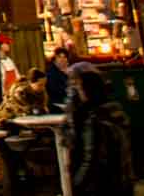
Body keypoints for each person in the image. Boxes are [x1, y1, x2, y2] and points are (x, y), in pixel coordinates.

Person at [65, 63, 134, 196]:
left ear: (88, 90)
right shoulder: (115, 111)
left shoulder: (94, 118)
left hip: (101, 184)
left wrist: (77, 184)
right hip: (122, 180)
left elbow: (90, 158)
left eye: (79, 88)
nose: (77, 92)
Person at [45, 42, 79, 111]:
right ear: (55, 59)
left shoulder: (69, 70)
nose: (62, 59)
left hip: (69, 102)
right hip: (57, 104)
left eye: (64, 57)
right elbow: (56, 89)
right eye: (59, 57)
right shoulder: (51, 73)